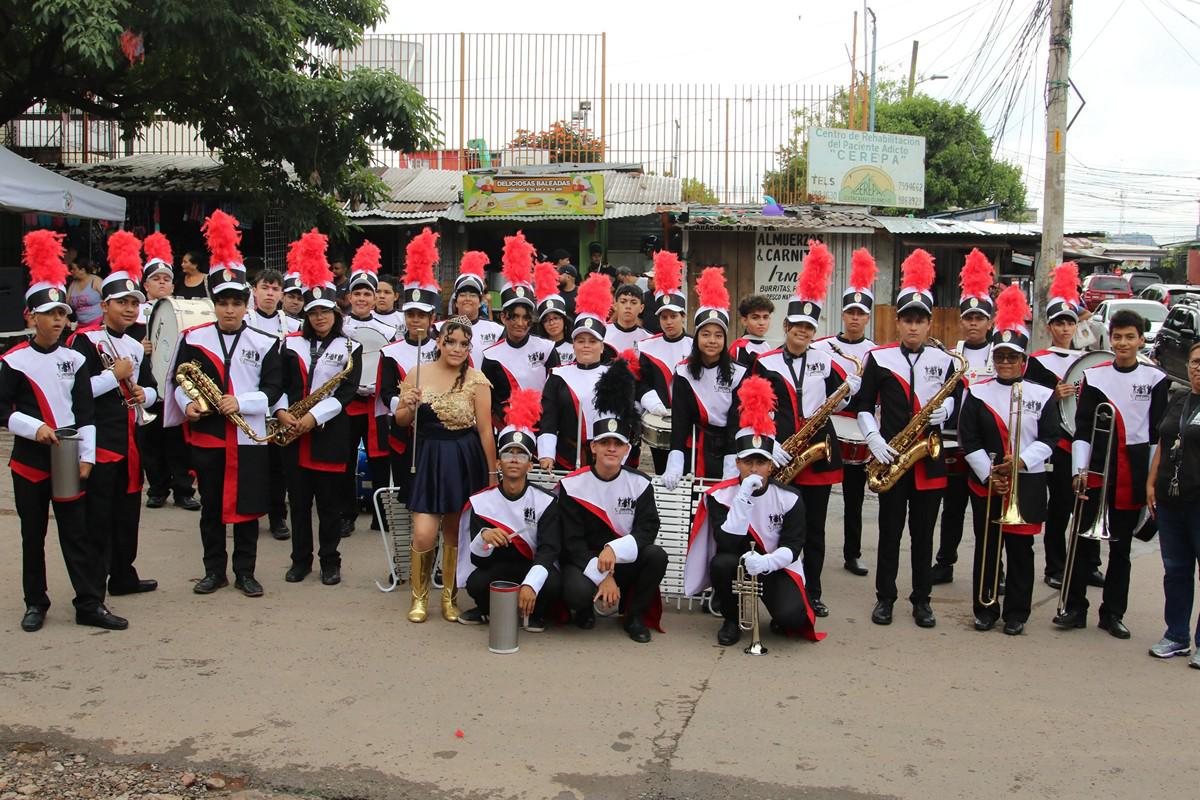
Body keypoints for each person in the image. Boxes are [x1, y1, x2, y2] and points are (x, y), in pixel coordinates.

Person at [3, 230, 126, 632]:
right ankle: (35, 602)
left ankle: (89, 603)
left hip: (69, 453)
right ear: (30, 317)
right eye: (49, 315)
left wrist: (87, 456)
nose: (58, 321)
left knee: (77, 532)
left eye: (62, 315)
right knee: (32, 535)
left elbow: (86, 410)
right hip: (30, 459)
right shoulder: (13, 360)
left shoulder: (75, 358)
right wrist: (34, 427)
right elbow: (2, 411)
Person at [172, 211, 284, 598]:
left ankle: (246, 572)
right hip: (208, 437)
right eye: (223, 302)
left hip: (248, 437)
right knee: (211, 509)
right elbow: (179, 380)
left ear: (247, 303)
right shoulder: (194, 338)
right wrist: (188, 403)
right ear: (213, 303)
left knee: (249, 509)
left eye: (237, 302)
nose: (230, 309)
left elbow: (273, 388)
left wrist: (243, 401)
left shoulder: (266, 342)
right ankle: (213, 571)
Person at [851, 249, 961, 629]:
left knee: (923, 537)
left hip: (929, 460)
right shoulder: (879, 359)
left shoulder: (945, 361)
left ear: (930, 325)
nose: (913, 327)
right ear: (897, 323)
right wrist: (873, 439)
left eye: (920, 321)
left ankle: (922, 600)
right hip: (892, 457)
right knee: (889, 534)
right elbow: (863, 404)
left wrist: (947, 415)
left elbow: (959, 404)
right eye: (907, 321)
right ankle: (885, 598)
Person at [1054, 308, 1169, 639]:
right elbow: (1082, 429)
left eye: (1130, 337)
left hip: (1132, 468)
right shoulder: (1094, 376)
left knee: (1120, 549)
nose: (1123, 343)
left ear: (1141, 340)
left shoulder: (1155, 378)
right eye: (1117, 337)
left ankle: (1112, 613)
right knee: (1078, 541)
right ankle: (1074, 608)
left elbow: (1155, 435)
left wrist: (1151, 481)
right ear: (1111, 339)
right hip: (1097, 468)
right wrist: (1079, 471)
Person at [752, 242, 853, 618]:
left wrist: (847, 394)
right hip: (781, 453)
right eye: (797, 326)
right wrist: (769, 443)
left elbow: (842, 401)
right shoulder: (764, 362)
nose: (804, 332)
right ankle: (776, 588)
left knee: (814, 529)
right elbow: (753, 409)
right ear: (786, 327)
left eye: (810, 327)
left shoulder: (827, 361)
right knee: (776, 526)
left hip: (818, 453)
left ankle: (813, 591)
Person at [684, 376, 824, 645]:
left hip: (774, 565)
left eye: (761, 463)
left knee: (792, 618)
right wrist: (743, 499)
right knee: (722, 563)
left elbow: (794, 546)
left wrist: (767, 563)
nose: (754, 469)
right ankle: (731, 618)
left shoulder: (789, 498)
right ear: (737, 464)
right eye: (748, 462)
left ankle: (777, 609)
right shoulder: (719, 496)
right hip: (735, 561)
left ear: (771, 467)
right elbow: (725, 543)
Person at [957, 285, 1057, 635]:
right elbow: (968, 439)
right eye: (1000, 356)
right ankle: (985, 608)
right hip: (988, 482)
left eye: (1012, 357)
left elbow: (1049, 438)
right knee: (986, 549)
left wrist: (1021, 463)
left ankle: (1017, 613)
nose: (1004, 362)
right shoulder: (978, 391)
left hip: (1026, 482)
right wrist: (989, 474)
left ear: (1024, 361)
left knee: (1020, 550)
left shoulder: (1042, 395)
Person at [69, 230, 159, 598]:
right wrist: (114, 376)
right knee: (99, 517)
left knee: (127, 515)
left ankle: (123, 574)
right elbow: (77, 394)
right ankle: (94, 588)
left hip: (131, 440)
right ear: (104, 305)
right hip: (100, 441)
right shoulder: (83, 341)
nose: (129, 309)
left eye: (134, 303)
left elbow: (153, 388)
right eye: (121, 302)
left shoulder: (136, 345)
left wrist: (143, 391)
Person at [394, 316, 497, 623]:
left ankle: (449, 598)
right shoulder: (417, 372)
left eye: (464, 344)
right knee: (425, 533)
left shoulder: (477, 380)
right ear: (438, 342)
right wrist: (408, 405)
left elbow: (485, 431)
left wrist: (492, 474)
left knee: (454, 532)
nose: (456, 348)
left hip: (463, 459)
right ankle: (419, 596)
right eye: (450, 341)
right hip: (426, 458)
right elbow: (401, 421)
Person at [275, 230, 362, 585]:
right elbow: (275, 384)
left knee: (328, 505)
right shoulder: (288, 344)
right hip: (291, 433)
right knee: (298, 504)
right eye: (313, 313)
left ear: (335, 312)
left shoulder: (350, 347)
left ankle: (330, 560)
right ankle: (300, 561)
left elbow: (346, 393)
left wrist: (312, 417)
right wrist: (283, 413)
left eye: (325, 311)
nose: (319, 318)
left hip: (328, 434)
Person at [558, 360, 666, 643]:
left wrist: (613, 550)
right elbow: (571, 543)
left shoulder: (639, 483)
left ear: (626, 449)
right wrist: (603, 574)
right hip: (585, 561)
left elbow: (647, 530)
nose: (611, 449)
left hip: (622, 558)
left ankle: (634, 617)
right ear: (593, 446)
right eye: (604, 442)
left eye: (617, 444)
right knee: (575, 590)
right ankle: (583, 610)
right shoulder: (572, 485)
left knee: (656, 556)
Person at [1022, 262, 1102, 589]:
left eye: (1069, 322)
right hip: (1057, 445)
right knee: (1058, 508)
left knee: (1088, 504)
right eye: (1059, 322)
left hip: (1085, 442)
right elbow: (1027, 404)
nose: (1065, 328)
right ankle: (1054, 566)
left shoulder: (1090, 360)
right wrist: (1052, 395)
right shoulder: (1037, 361)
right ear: (1050, 326)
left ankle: (1089, 563)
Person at [457, 389, 562, 630]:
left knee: (553, 583)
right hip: (498, 566)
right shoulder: (481, 501)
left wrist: (531, 584)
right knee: (476, 582)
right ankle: (487, 610)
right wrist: (483, 539)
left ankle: (536, 613)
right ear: (498, 462)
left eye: (521, 455)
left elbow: (548, 550)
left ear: (530, 464)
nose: (514, 460)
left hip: (531, 565)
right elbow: (476, 558)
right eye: (508, 453)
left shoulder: (545, 501)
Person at [812, 247, 878, 577]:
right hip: (825, 428)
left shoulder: (876, 352)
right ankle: (808, 552)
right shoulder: (822, 347)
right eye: (850, 312)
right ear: (842, 314)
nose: (854, 317)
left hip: (857, 430)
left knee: (855, 497)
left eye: (861, 313)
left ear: (868, 317)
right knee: (817, 498)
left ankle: (853, 553)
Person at [932, 249, 996, 586]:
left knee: (987, 514)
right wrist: (945, 411)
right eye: (968, 318)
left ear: (990, 322)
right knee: (952, 509)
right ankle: (945, 562)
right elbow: (948, 393)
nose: (973, 324)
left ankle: (993, 569)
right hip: (955, 443)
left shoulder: (1002, 354)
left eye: (979, 318)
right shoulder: (951, 354)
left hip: (989, 445)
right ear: (961, 321)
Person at [662, 267, 745, 488]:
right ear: (696, 337)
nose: (712, 341)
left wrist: (731, 462)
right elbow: (680, 421)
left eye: (718, 336)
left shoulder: (739, 373)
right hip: (694, 449)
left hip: (727, 448)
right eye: (705, 334)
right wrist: (675, 459)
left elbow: (736, 422)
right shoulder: (683, 372)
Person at [377, 229, 443, 501]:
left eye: (422, 315)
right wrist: (405, 404)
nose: (416, 320)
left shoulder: (444, 349)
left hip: (437, 433)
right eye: (411, 314)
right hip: (403, 433)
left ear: (432, 318)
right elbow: (385, 394)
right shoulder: (390, 352)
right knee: (407, 495)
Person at [1146, 340, 1200, 667]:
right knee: (1176, 571)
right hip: (1170, 500)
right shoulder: (1179, 398)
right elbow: (1165, 443)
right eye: (1194, 361)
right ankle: (1176, 635)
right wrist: (1152, 482)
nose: (1197, 367)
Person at [139, 233, 200, 511]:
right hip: (146, 388)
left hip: (174, 384)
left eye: (166, 279)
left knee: (179, 441)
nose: (162, 282)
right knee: (150, 441)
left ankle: (184, 489)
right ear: (146, 284)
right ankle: (157, 488)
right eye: (156, 279)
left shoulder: (182, 308)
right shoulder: (134, 312)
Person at [340, 241, 398, 535]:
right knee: (346, 458)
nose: (362, 298)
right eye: (357, 293)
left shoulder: (390, 330)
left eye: (367, 293)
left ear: (376, 298)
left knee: (379, 458)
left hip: (376, 402)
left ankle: (380, 514)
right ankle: (346, 514)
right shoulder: (339, 326)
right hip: (347, 403)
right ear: (349, 296)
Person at [538, 274, 614, 471]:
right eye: (581, 341)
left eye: (592, 341)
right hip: (566, 457)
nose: (586, 346)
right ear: (574, 345)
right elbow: (549, 418)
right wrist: (547, 454)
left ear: (602, 346)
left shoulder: (614, 376)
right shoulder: (558, 375)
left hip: (606, 458)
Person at [481, 233, 554, 426]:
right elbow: (489, 399)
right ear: (503, 317)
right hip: (505, 427)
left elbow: (553, 392)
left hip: (541, 425)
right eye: (514, 317)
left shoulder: (547, 348)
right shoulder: (490, 355)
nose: (520, 323)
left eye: (525, 317)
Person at [247, 267, 298, 540]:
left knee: (278, 466)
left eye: (275, 289)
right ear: (254, 290)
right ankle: (251, 513)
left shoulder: (292, 326)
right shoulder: (245, 321)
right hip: (251, 401)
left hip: (281, 402)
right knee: (253, 463)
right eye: (265, 288)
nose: (269, 293)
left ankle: (278, 516)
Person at [637, 251, 693, 473]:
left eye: (673, 316)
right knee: (662, 474)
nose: (668, 322)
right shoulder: (647, 346)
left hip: (690, 425)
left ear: (683, 316)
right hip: (659, 421)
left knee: (687, 474)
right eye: (664, 317)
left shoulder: (695, 346)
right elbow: (640, 382)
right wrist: (651, 401)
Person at [449, 250, 504, 365]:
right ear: (456, 302)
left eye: (473, 295)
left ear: (480, 302)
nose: (467, 299)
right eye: (463, 295)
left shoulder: (497, 330)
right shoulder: (440, 329)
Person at [535, 260, 573, 367]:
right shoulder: (537, 349)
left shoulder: (574, 348)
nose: (552, 323)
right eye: (546, 320)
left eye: (556, 318)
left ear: (564, 319)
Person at [729, 295, 776, 368]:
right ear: (744, 321)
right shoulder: (739, 348)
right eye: (755, 318)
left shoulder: (766, 346)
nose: (761, 322)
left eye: (765, 317)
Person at [605, 283, 649, 353]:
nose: (628, 306)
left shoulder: (648, 339)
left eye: (633, 303)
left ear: (641, 308)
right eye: (623, 302)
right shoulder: (602, 332)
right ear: (615, 305)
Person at [66, 257, 103, 327]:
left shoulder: (96, 280)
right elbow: (66, 303)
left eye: (74, 269)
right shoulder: (73, 284)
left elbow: (109, 299)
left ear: (82, 270)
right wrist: (65, 318)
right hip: (80, 325)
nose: (71, 271)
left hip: (97, 324)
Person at [553, 250, 579, 319]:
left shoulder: (581, 294)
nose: (558, 277)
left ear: (568, 277)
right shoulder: (556, 293)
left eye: (560, 274)